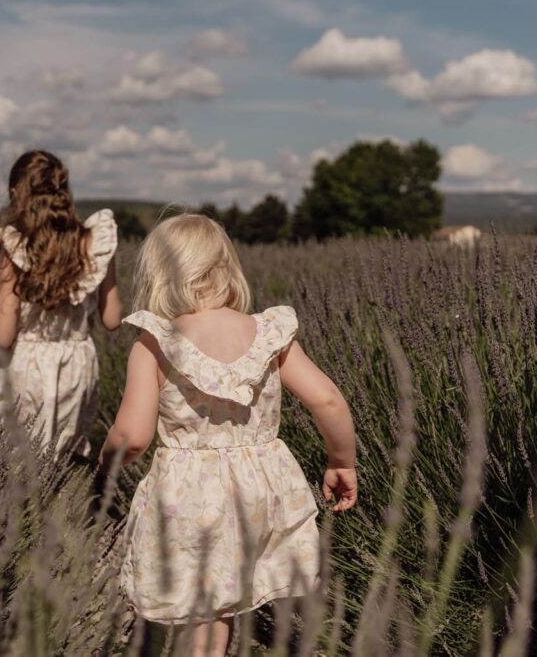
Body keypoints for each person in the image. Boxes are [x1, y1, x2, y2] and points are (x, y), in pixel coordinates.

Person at [99, 214, 357, 657]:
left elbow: (134, 436)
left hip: (192, 497)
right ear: (226, 268)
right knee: (225, 602)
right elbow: (328, 401)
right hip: (261, 492)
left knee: (201, 612)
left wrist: (106, 464)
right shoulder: (268, 333)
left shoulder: (155, 340)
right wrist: (341, 461)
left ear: (159, 274)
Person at [0, 150, 122, 460]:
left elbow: (3, 336)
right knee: (66, 463)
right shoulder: (96, 241)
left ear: (16, 194)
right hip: (77, 369)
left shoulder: (16, 245)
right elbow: (112, 318)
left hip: (28, 368)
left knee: (15, 464)